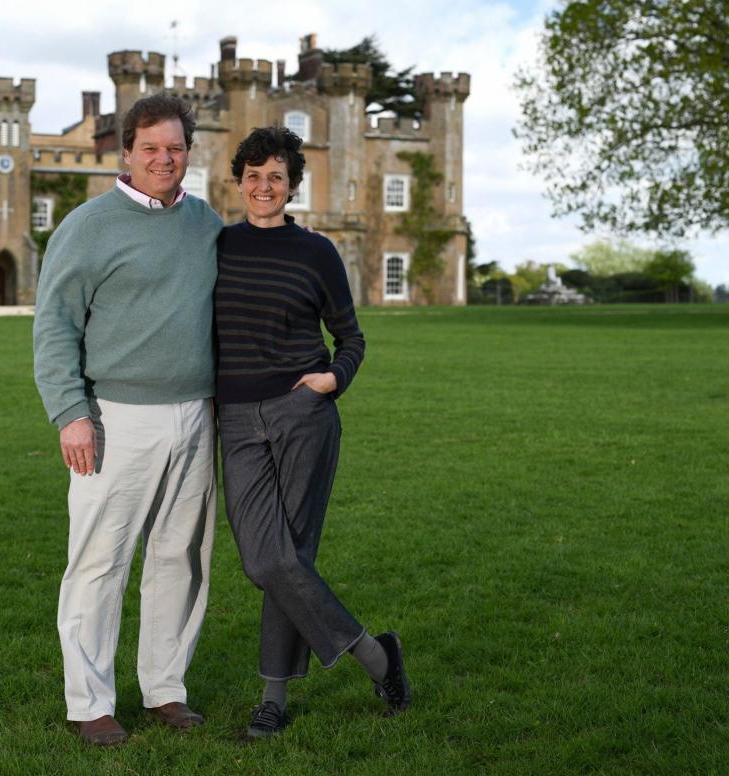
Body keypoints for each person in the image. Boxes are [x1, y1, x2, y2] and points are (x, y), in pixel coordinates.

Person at [32, 94, 222, 747]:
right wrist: (70, 413)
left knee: (181, 557)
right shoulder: (88, 226)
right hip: (115, 418)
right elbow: (54, 326)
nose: (164, 159)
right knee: (99, 563)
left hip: (197, 413)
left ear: (187, 152)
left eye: (175, 148)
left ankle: (166, 689)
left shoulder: (206, 223)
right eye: (151, 148)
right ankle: (90, 703)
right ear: (127, 152)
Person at [214, 126, 411, 739]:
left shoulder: (317, 253)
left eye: (276, 176)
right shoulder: (216, 246)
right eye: (252, 175)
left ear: (292, 185)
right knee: (265, 558)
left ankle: (273, 698)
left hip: (303, 414)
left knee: (290, 554)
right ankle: (375, 657)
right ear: (239, 182)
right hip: (238, 418)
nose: (263, 186)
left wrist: (332, 379)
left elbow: (351, 336)